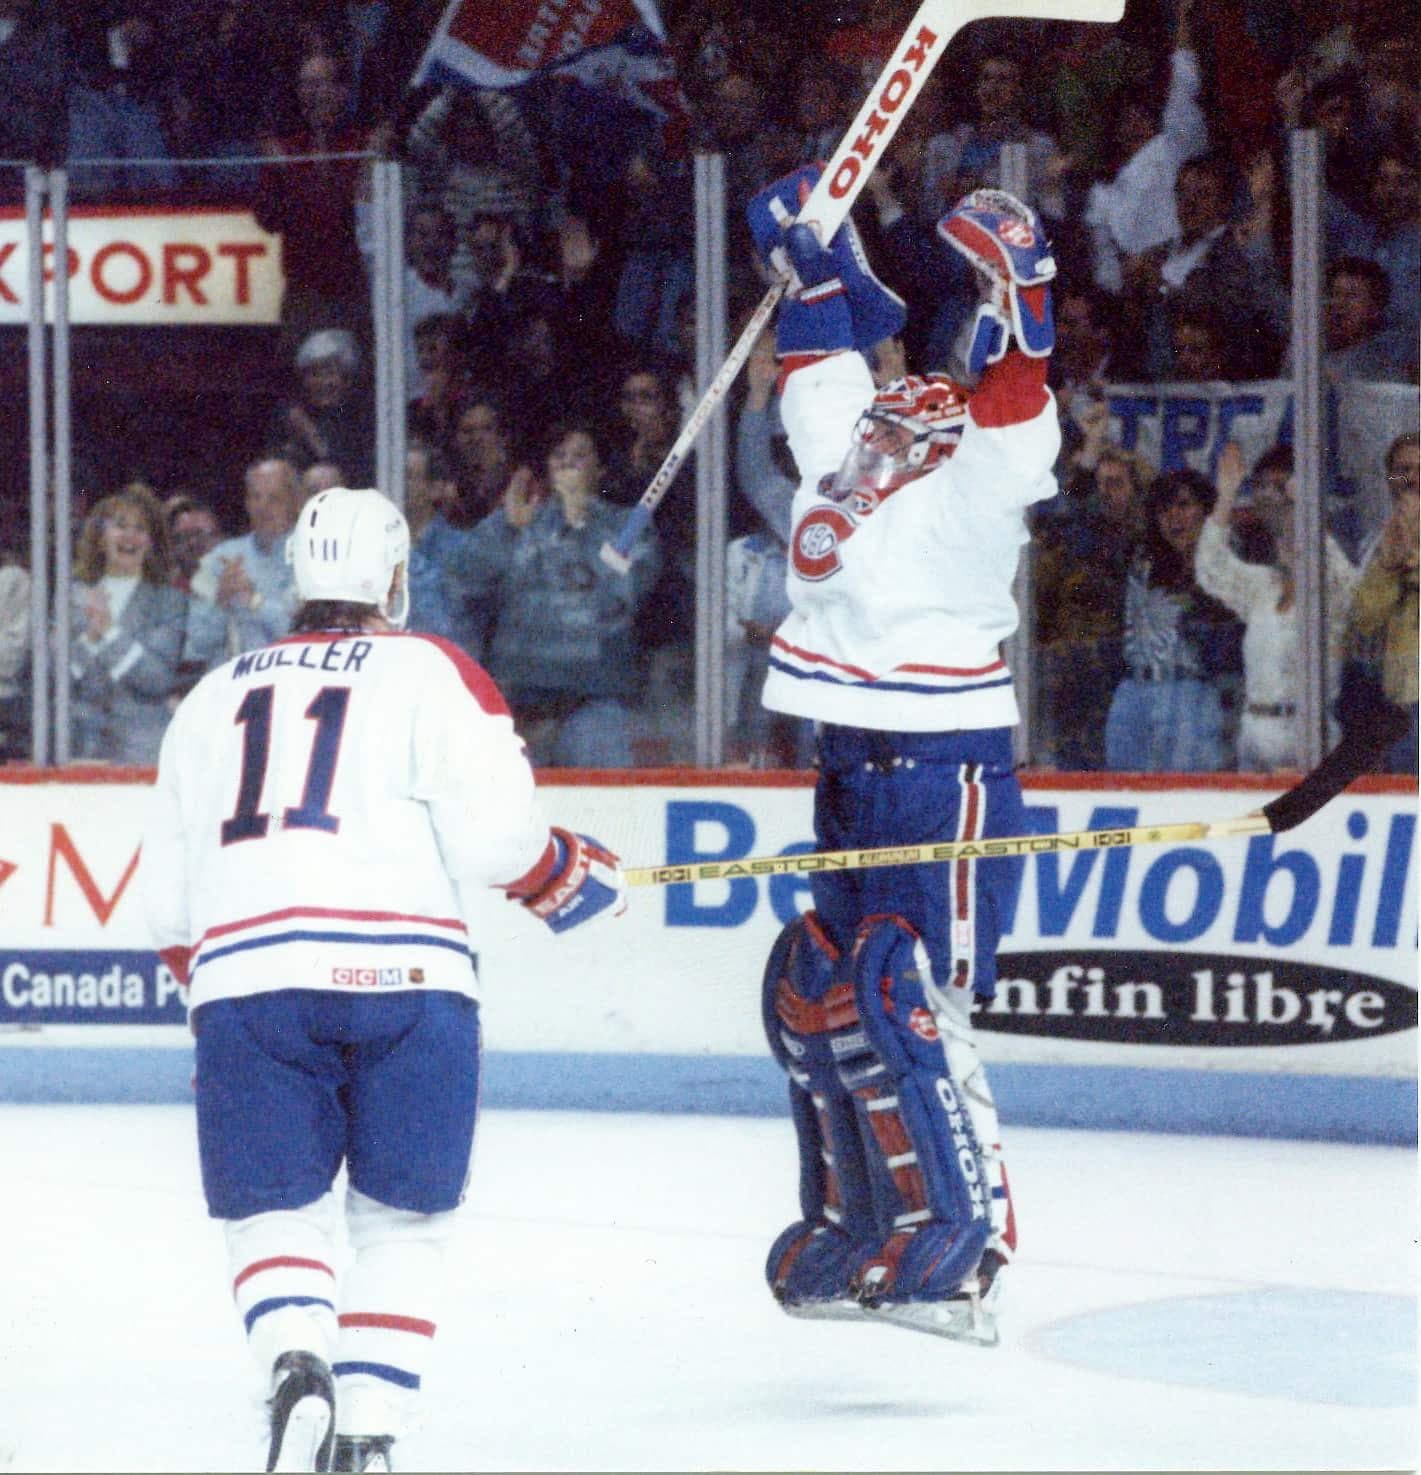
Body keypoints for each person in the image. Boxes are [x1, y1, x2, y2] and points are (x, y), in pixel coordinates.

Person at [140, 485, 626, 1474]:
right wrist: (567, 876)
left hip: (250, 976)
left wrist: (231, 991)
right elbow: (498, 841)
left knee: (272, 1208)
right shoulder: (434, 669)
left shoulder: (211, 694)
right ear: (396, 578)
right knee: (403, 1219)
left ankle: (292, 1360)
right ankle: (367, 1434)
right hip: (411, 980)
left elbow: (166, 907)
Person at [745, 170, 1060, 1345]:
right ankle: (860, 1218)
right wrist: (803, 247)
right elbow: (819, 356)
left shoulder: (980, 487)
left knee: (910, 995)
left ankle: (968, 1236)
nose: (890, 418)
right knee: (823, 990)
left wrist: (1022, 296)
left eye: (919, 412)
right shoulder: (846, 448)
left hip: (946, 758)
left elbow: (1018, 404)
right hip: (847, 749)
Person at [447, 422, 661, 768]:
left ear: (600, 468)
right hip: (518, 707)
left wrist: (581, 526)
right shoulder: (519, 521)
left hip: (594, 706)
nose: (567, 464)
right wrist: (505, 524)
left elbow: (620, 601)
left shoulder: (627, 527)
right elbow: (464, 584)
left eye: (579, 456)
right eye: (559, 455)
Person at [1195, 444, 1360, 771]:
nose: (1289, 542)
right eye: (1284, 536)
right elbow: (1210, 568)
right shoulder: (1263, 587)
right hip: (1255, 732)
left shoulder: (1330, 592)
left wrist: (1306, 504)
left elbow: (1348, 587)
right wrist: (1227, 494)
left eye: (1298, 532)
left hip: (1309, 735)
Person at [1103, 469, 1241, 772]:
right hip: (1133, 689)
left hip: (1190, 689)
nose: (1173, 517)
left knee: (1188, 786)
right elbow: (1097, 527)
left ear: (1206, 511)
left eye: (1184, 505)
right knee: (1122, 783)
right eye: (1164, 509)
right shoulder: (1141, 559)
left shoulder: (1225, 566)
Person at [70, 483, 187, 765]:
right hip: (76, 746)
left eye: (140, 529)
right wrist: (91, 638)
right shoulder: (71, 596)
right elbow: (59, 678)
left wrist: (109, 633)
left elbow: (156, 679)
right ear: (100, 537)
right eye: (120, 525)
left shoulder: (169, 601)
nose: (130, 536)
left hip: (142, 750)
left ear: (151, 543)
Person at [1340, 432, 1419, 774]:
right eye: (1403, 469)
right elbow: (1365, 619)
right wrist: (1388, 566)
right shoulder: (1377, 541)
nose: (1413, 479)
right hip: (1400, 704)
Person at [184, 458, 303, 673]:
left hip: (289, 684)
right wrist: (220, 602)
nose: (262, 507)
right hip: (227, 689)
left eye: (274, 498)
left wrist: (254, 601)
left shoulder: (312, 561)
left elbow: (305, 638)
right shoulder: (220, 559)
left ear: (295, 503)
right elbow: (194, 647)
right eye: (255, 497)